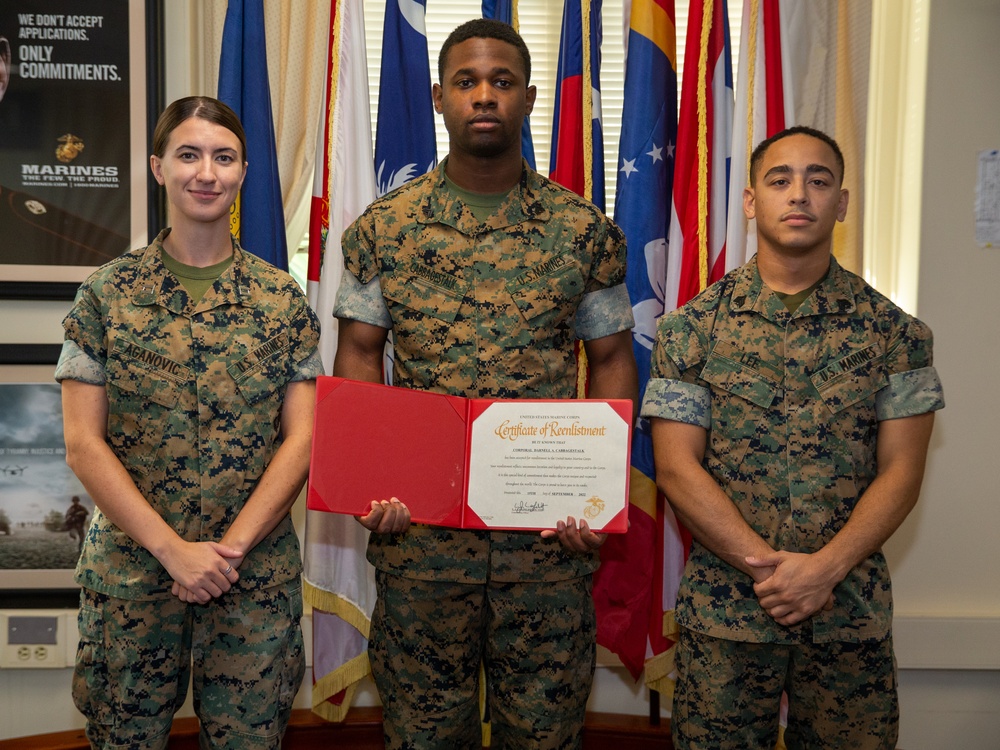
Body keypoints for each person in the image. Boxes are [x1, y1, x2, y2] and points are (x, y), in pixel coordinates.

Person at [332, 19, 638, 749]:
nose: (484, 96)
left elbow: (615, 359)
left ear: (529, 97)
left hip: (547, 547)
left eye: (501, 82)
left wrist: (597, 494)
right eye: (466, 82)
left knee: (545, 736)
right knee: (424, 737)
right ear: (438, 97)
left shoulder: (582, 231)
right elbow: (359, 353)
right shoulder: (386, 229)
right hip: (422, 546)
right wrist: (372, 484)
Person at [642, 126, 945, 749]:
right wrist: (774, 574)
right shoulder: (690, 332)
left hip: (847, 616)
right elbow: (677, 470)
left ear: (842, 202)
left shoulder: (897, 335)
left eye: (819, 180)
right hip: (728, 617)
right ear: (751, 201)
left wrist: (823, 571)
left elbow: (902, 473)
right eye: (780, 180)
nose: (799, 194)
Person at [56, 96, 322, 749]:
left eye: (223, 157)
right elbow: (83, 444)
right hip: (133, 580)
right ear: (158, 167)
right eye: (189, 154)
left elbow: (305, 437)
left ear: (243, 172)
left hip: (250, 578)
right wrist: (174, 552)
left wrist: (225, 553)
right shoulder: (106, 295)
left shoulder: (281, 298)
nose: (206, 171)